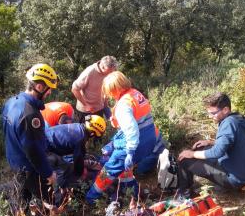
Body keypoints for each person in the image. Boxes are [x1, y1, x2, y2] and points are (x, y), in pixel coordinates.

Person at [86, 71, 164, 204]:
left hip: (135, 141)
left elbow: (132, 130)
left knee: (109, 169)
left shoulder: (123, 105)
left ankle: (91, 197)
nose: (108, 95)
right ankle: (132, 191)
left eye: (109, 91)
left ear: (115, 89)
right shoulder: (135, 94)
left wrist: (130, 151)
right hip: (149, 137)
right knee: (125, 168)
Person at [177, 92, 245, 198]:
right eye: (209, 113)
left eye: (213, 113)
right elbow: (235, 141)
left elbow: (217, 152)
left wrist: (192, 154)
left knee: (184, 160)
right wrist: (210, 142)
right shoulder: (238, 119)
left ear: (225, 110)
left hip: (235, 179)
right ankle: (189, 186)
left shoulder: (228, 123)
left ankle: (184, 195)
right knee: (201, 147)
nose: (210, 116)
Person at [2, 63, 58, 207]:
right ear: (39, 87)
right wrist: (48, 173)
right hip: (29, 168)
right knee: (49, 200)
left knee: (22, 201)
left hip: (14, 162)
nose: (49, 93)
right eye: (49, 89)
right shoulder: (30, 115)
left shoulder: (11, 102)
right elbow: (34, 151)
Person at [45, 115, 106, 179]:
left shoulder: (78, 126)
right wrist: (80, 172)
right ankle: (60, 186)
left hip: (47, 140)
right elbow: (78, 160)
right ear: (92, 133)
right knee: (67, 170)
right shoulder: (80, 138)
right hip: (45, 150)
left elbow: (78, 151)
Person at [71, 55, 118, 122]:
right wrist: (86, 105)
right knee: (85, 131)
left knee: (98, 131)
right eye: (110, 71)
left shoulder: (109, 72)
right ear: (103, 67)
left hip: (99, 109)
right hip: (86, 111)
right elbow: (74, 89)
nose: (111, 73)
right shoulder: (89, 72)